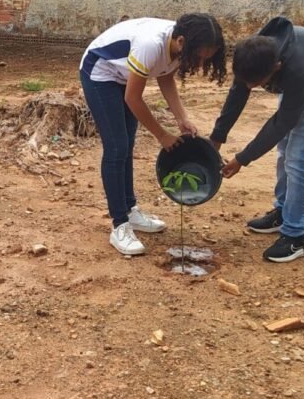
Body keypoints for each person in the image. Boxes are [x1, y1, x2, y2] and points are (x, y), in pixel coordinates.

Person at [80, 14, 227, 256]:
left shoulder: (180, 45)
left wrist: (182, 118)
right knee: (116, 147)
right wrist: (162, 135)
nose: (200, 63)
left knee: (127, 145)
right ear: (181, 41)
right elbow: (132, 98)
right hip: (101, 72)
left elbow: (165, 75)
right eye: (200, 57)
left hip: (123, 75)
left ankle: (130, 210)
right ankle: (119, 225)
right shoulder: (151, 44)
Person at [210, 17, 304, 263]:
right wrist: (216, 138)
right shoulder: (252, 55)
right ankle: (284, 211)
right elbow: (237, 94)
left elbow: (283, 121)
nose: (250, 86)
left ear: (276, 67)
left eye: (257, 84)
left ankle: (299, 236)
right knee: (284, 150)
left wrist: (242, 159)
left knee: (299, 157)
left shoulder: (297, 67)